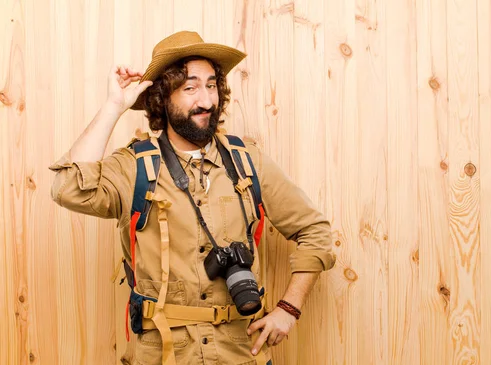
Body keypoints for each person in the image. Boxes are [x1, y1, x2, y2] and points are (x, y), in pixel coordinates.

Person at [49, 30, 335, 365]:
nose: (207, 101)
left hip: (241, 354)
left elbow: (316, 232)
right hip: (163, 356)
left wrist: (288, 308)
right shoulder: (135, 168)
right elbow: (68, 188)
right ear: (162, 98)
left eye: (211, 85)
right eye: (190, 88)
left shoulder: (248, 161)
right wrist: (114, 107)